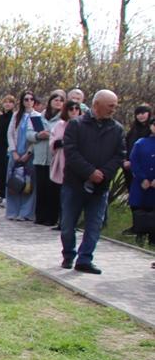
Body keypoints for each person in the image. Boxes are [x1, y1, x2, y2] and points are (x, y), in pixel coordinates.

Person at [60, 89, 126, 274]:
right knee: (67, 225)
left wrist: (103, 173)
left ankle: (85, 259)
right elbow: (71, 152)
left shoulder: (117, 129)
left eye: (115, 105)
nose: (114, 109)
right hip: (74, 184)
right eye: (110, 105)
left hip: (100, 187)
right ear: (97, 104)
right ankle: (68, 254)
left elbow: (120, 155)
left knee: (94, 225)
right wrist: (89, 172)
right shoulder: (76, 125)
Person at [31, 91, 65, 226]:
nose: (57, 102)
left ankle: (52, 218)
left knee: (53, 189)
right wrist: (38, 135)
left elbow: (61, 137)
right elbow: (29, 133)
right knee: (41, 188)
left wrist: (49, 135)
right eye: (55, 100)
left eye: (60, 100)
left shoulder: (62, 120)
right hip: (40, 157)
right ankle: (40, 216)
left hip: (54, 159)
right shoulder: (39, 117)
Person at [6, 92, 39, 221]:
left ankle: (26, 212)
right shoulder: (16, 116)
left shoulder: (37, 116)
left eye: (31, 99)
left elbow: (36, 138)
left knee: (28, 183)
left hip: (28, 154)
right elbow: (10, 134)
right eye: (26, 99)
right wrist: (13, 151)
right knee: (14, 181)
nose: (29, 101)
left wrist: (28, 153)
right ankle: (13, 211)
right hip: (15, 153)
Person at [50, 99, 83, 228]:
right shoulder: (60, 125)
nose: (74, 111)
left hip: (76, 162)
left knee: (73, 194)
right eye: (71, 109)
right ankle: (61, 220)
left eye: (76, 108)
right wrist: (60, 143)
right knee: (61, 192)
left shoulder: (83, 125)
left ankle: (71, 222)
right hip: (61, 159)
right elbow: (53, 141)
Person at [123, 104, 152, 233]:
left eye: (144, 112)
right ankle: (137, 225)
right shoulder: (133, 130)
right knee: (135, 198)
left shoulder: (150, 131)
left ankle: (149, 227)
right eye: (138, 113)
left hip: (148, 169)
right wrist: (125, 160)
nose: (141, 115)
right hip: (131, 169)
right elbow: (125, 146)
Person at [127, 117, 155, 246]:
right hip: (141, 183)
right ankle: (140, 234)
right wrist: (142, 178)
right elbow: (134, 161)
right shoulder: (141, 143)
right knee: (140, 209)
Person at [0, 95, 16, 204]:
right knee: (0, 172)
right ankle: (1, 194)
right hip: (0, 147)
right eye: (5, 102)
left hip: (9, 147)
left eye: (10, 102)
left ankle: (7, 196)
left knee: (8, 171)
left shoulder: (15, 117)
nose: (7, 104)